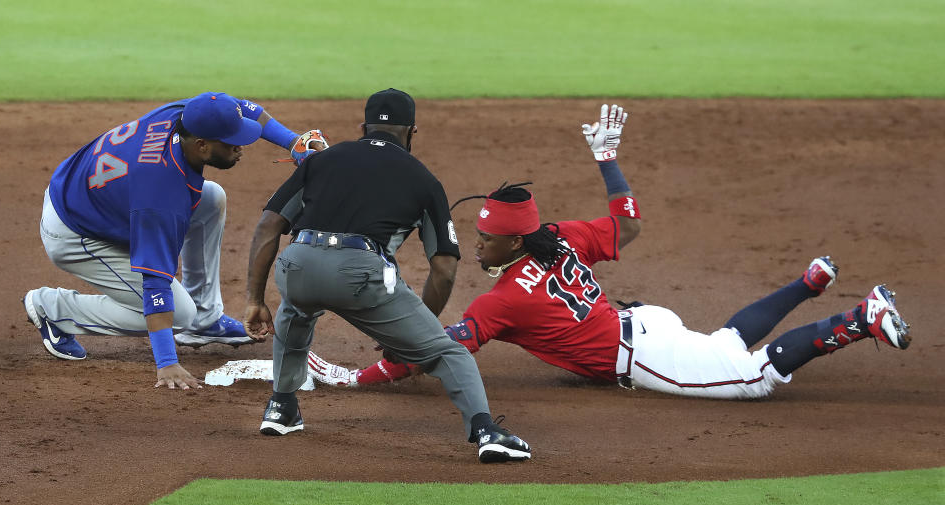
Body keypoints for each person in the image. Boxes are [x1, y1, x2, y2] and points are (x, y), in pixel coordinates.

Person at [307, 103, 912, 399]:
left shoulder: (502, 302)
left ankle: (859, 319)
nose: (478, 243)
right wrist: (608, 162)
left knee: (751, 377)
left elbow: (438, 347)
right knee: (723, 343)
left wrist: (360, 376)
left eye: (486, 236)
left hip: (638, 352)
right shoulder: (562, 237)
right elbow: (629, 226)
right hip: (645, 323)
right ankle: (808, 283)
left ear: (514, 239)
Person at [243, 88, 531, 463]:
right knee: (447, 352)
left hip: (297, 264)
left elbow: (269, 225)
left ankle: (281, 407)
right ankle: (486, 431)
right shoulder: (423, 179)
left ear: (362, 127)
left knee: (296, 308)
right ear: (412, 132)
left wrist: (254, 299)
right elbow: (443, 268)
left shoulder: (322, 160)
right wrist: (413, 333)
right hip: (359, 275)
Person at [22, 92, 328, 390]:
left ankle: (205, 320)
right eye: (232, 142)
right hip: (76, 233)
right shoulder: (161, 195)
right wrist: (166, 362)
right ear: (202, 145)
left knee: (211, 199)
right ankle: (53, 308)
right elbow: (154, 283)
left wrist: (292, 142)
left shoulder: (187, 114)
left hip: (92, 195)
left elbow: (238, 108)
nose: (242, 145)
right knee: (179, 314)